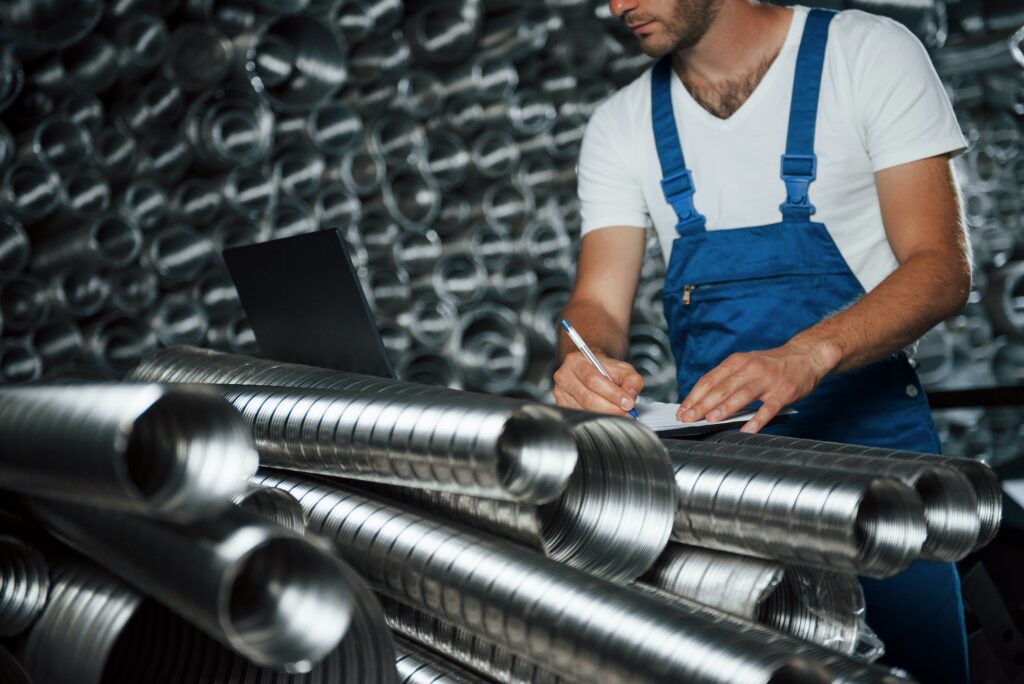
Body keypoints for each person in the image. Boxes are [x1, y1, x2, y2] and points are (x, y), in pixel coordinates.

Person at [554, 1, 972, 681]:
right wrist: (584, 360)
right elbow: (596, 302)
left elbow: (940, 270)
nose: (615, 6)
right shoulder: (621, 124)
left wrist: (806, 354)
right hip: (725, 483)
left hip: (877, 476)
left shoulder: (866, 53)